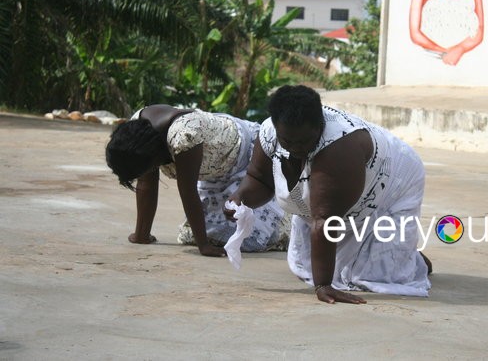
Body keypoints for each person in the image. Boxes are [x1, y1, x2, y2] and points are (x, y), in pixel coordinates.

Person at [225, 85, 431, 304]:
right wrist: (240, 198)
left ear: (319, 125)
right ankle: (405, 254)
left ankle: (411, 260)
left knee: (378, 277)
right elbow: (260, 179)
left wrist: (323, 285)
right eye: (288, 141)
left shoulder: (338, 147)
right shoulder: (270, 133)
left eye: (304, 141)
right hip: (341, 196)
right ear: (276, 127)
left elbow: (326, 220)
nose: (295, 148)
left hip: (395, 178)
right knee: (312, 265)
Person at [105, 104, 288, 257]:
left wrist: (204, 246)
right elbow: (146, 184)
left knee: (250, 238)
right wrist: (141, 235)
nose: (144, 176)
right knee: (205, 234)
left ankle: (292, 222)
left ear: (153, 159)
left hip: (246, 156)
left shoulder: (184, 136)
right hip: (214, 171)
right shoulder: (138, 135)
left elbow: (188, 193)